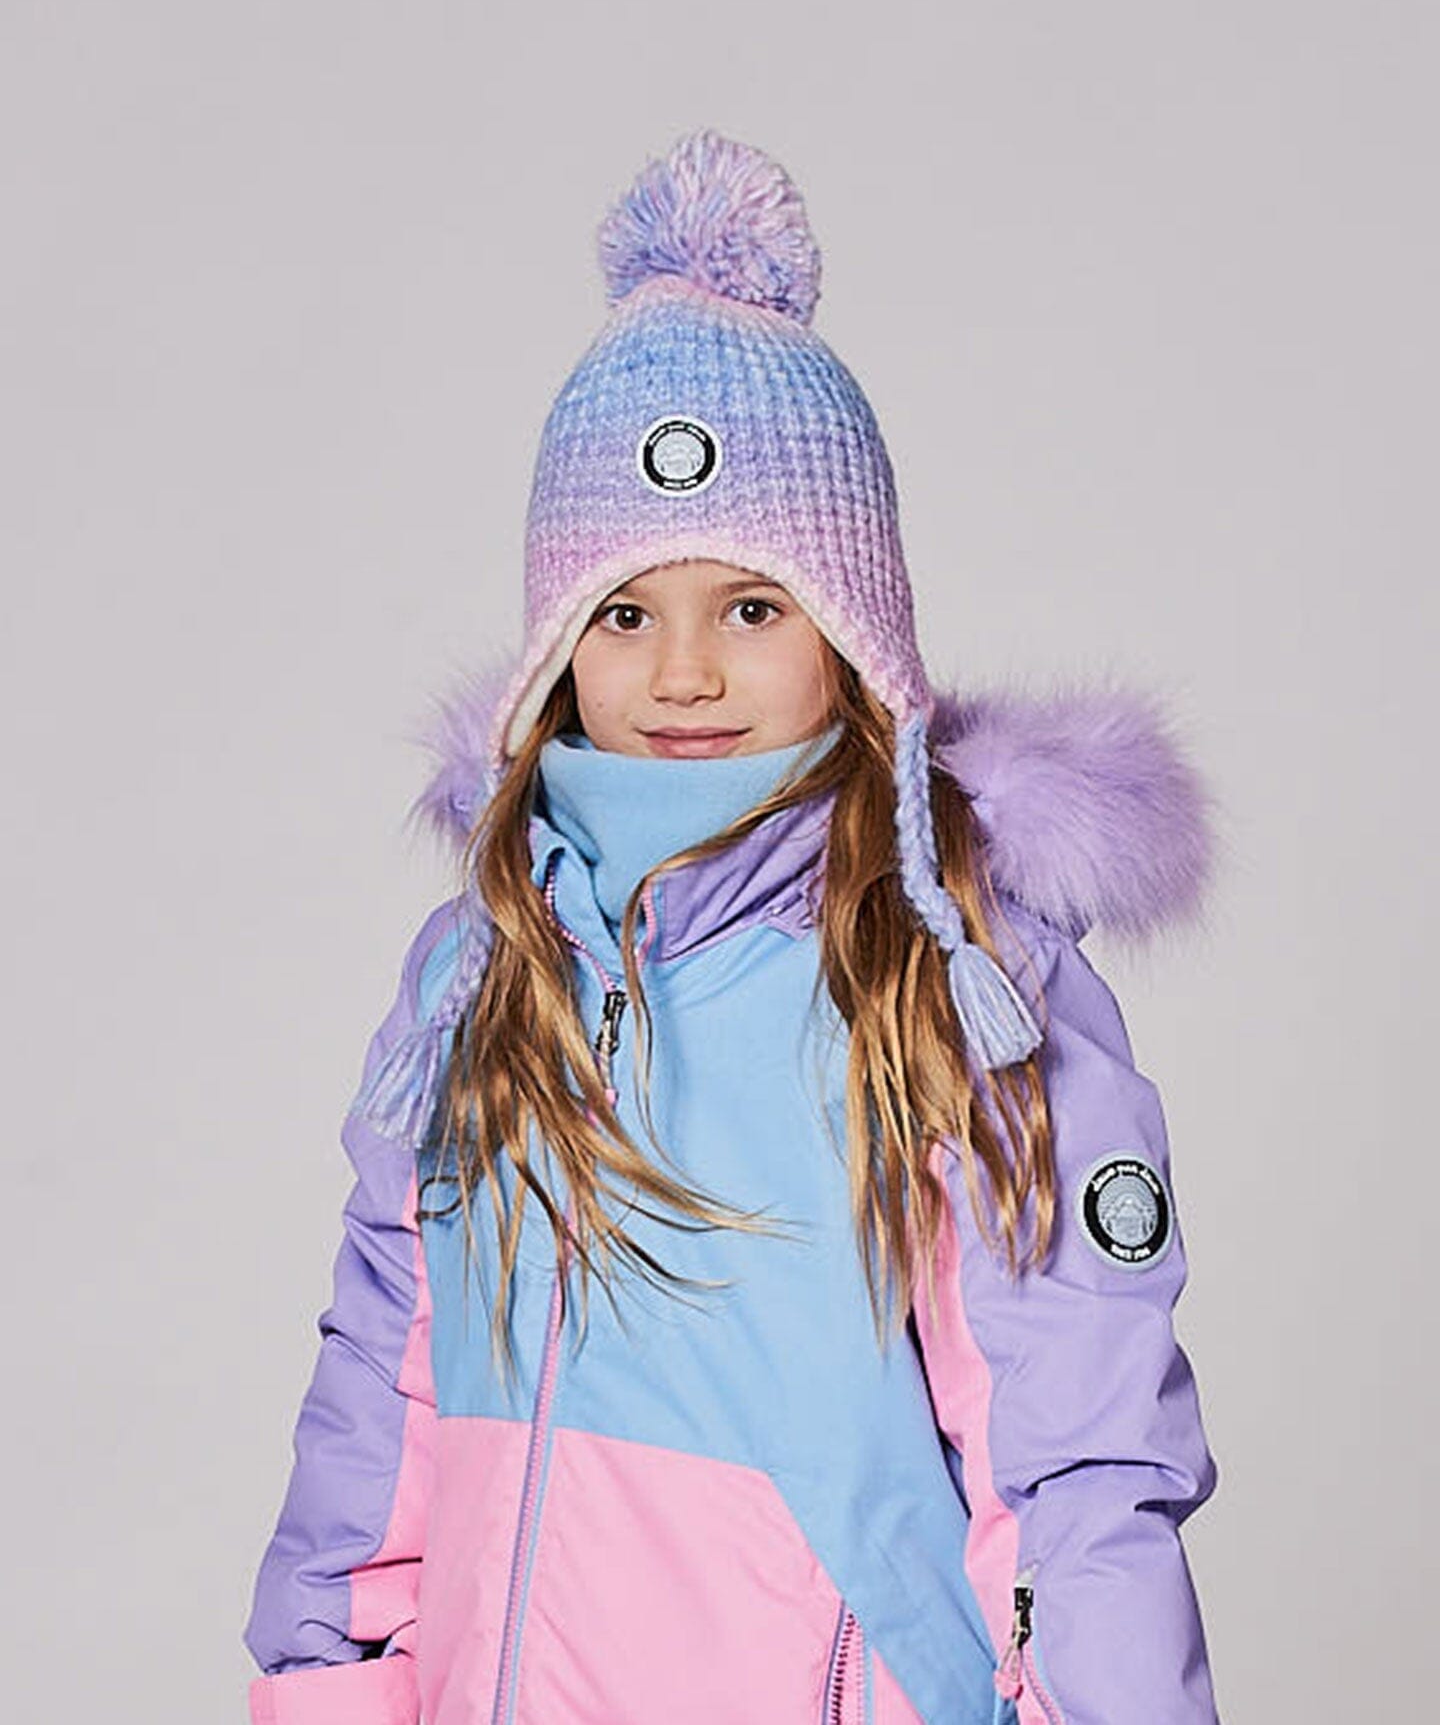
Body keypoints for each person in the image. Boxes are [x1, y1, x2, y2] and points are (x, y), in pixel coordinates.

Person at [243, 126, 1223, 1725]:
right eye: (624, 612)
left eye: (752, 607)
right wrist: (331, 1691)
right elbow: (379, 1388)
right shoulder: (483, 973)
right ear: (558, 647)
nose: (682, 672)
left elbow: (1078, 1450)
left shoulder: (948, 975)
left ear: (853, 634)